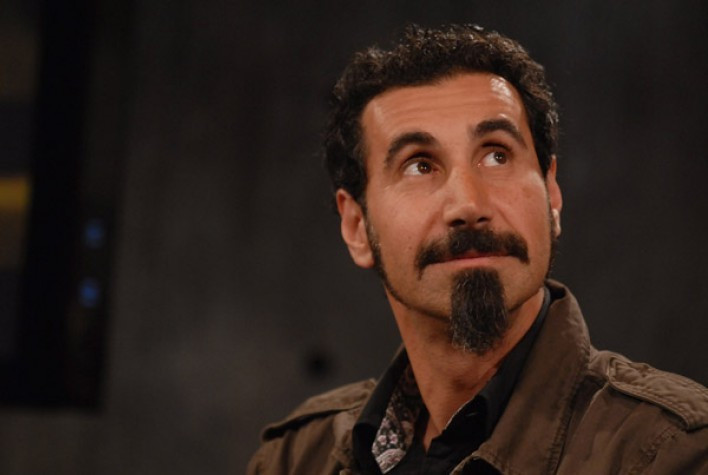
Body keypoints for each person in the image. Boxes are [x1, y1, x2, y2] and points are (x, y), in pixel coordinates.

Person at [247, 24, 708, 474]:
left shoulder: (674, 454)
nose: (468, 205)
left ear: (552, 195)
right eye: (419, 165)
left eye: (496, 155)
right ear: (357, 226)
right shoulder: (294, 459)